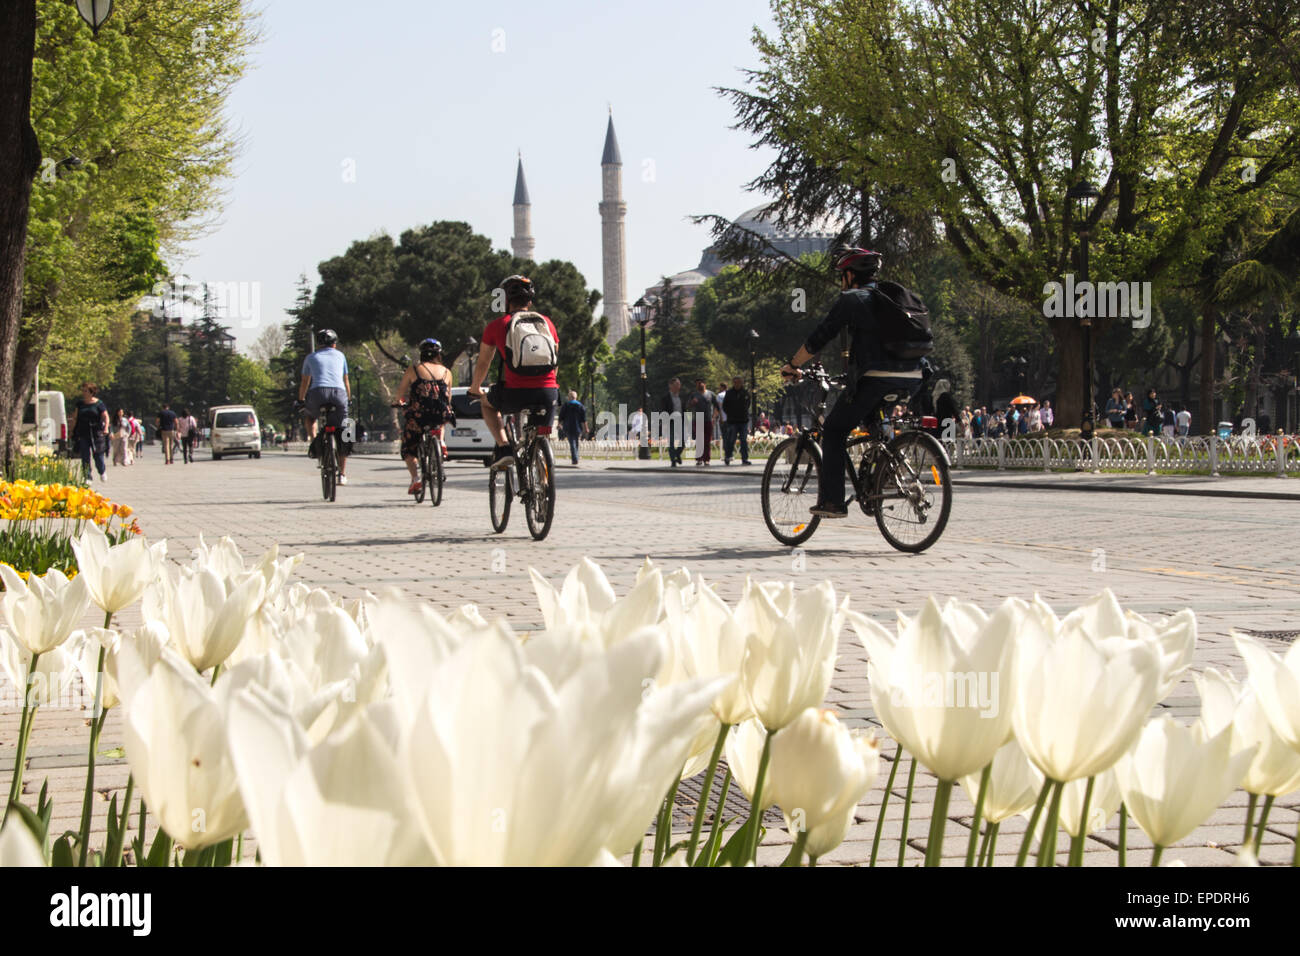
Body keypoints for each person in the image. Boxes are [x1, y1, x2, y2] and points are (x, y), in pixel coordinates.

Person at [782, 246, 924, 518]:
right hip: (914, 374)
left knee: (834, 431)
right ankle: (881, 473)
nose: (841, 281)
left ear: (849, 275)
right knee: (873, 424)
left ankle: (833, 502)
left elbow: (820, 336)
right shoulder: (895, 297)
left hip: (877, 376)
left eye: (841, 275)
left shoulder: (852, 299)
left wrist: (793, 365)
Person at [468, 275, 560, 470]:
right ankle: (543, 478)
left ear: (505, 300)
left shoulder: (497, 325)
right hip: (548, 393)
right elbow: (555, 361)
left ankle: (503, 448)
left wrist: (476, 387)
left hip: (514, 393)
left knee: (487, 405)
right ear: (530, 300)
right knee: (540, 435)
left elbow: (484, 361)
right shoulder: (547, 323)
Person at [395, 337, 453, 496]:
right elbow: (448, 399)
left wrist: (398, 402)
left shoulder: (413, 369)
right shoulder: (447, 372)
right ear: (438, 354)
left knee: (409, 447)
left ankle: (415, 478)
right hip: (439, 414)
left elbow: (400, 393)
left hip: (419, 415)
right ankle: (440, 440)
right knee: (443, 417)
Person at [298, 328, 352, 485]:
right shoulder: (341, 356)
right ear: (334, 344)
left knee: (310, 417)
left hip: (317, 393)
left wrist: (301, 400)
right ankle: (342, 474)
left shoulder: (311, 357)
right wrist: (348, 399)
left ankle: (315, 443)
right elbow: (346, 379)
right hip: (338, 394)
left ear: (319, 344)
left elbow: (304, 382)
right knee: (345, 429)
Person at [73, 383, 110, 482]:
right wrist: (72, 431)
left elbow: (106, 417)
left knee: (98, 455)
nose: (83, 393)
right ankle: (87, 476)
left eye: (85, 391)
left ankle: (102, 471)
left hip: (96, 432)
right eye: (83, 391)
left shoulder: (99, 404)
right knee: (85, 455)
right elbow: (75, 418)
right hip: (83, 432)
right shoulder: (80, 404)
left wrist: (106, 428)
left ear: (91, 392)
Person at [687, 379, 719, 466]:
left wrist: (714, 417)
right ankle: (699, 459)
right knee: (699, 440)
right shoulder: (694, 394)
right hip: (698, 418)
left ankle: (707, 459)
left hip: (708, 419)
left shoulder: (711, 394)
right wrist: (692, 403)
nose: (699, 385)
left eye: (700, 384)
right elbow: (688, 406)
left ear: (704, 384)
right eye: (697, 384)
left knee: (707, 440)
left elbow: (717, 405)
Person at [721, 375, 751, 465]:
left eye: (739, 382)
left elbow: (748, 404)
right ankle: (728, 456)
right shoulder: (729, 393)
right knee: (731, 440)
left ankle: (744, 458)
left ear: (741, 383)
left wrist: (744, 413)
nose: (737, 384)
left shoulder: (745, 393)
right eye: (735, 382)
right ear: (733, 383)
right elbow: (724, 406)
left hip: (743, 421)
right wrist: (730, 414)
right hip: (732, 421)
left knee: (743, 440)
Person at [660, 377, 686, 467]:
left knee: (682, 441)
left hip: (680, 421)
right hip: (670, 421)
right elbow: (663, 411)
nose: (678, 386)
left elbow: (684, 409)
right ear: (670, 386)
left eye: (679, 385)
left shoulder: (681, 397)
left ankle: (677, 454)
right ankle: (673, 460)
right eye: (676, 385)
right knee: (671, 442)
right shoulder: (666, 398)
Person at [558, 390, 587, 465]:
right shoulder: (580, 406)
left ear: (569, 397)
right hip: (578, 427)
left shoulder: (566, 405)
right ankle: (576, 457)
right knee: (576, 442)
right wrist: (586, 428)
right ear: (576, 397)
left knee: (572, 443)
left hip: (568, 426)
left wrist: (559, 424)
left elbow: (561, 416)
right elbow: (584, 419)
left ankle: (575, 459)